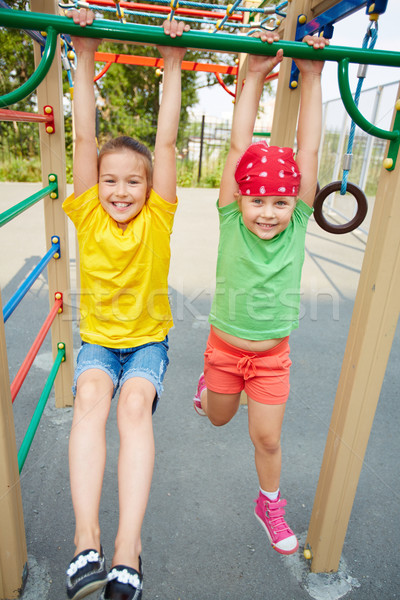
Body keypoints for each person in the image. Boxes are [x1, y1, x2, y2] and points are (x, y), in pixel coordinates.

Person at [63, 9, 187, 600]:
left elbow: (165, 139)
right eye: (109, 180)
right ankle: (87, 538)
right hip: (97, 341)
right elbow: (84, 137)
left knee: (133, 408)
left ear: (149, 187)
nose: (119, 191)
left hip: (145, 341)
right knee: (90, 397)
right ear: (96, 185)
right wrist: (83, 55)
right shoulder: (87, 211)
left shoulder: (158, 218)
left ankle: (125, 548)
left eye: (132, 182)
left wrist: (172, 63)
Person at [193, 31, 329, 555]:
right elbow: (237, 143)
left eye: (278, 201)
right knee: (218, 417)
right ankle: (208, 384)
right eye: (257, 201)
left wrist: (313, 78)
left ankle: (269, 502)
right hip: (226, 349)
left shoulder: (297, 221)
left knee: (267, 439)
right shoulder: (231, 218)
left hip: (272, 356)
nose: (267, 212)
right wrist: (252, 75)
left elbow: (310, 147)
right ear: (239, 199)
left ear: (293, 202)